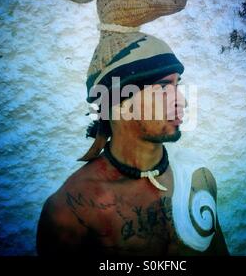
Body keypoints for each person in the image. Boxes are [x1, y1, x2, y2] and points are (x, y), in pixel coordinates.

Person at [36, 35, 229, 256]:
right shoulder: (71, 212)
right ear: (118, 104)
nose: (182, 101)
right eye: (164, 87)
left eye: (178, 85)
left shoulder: (198, 178)